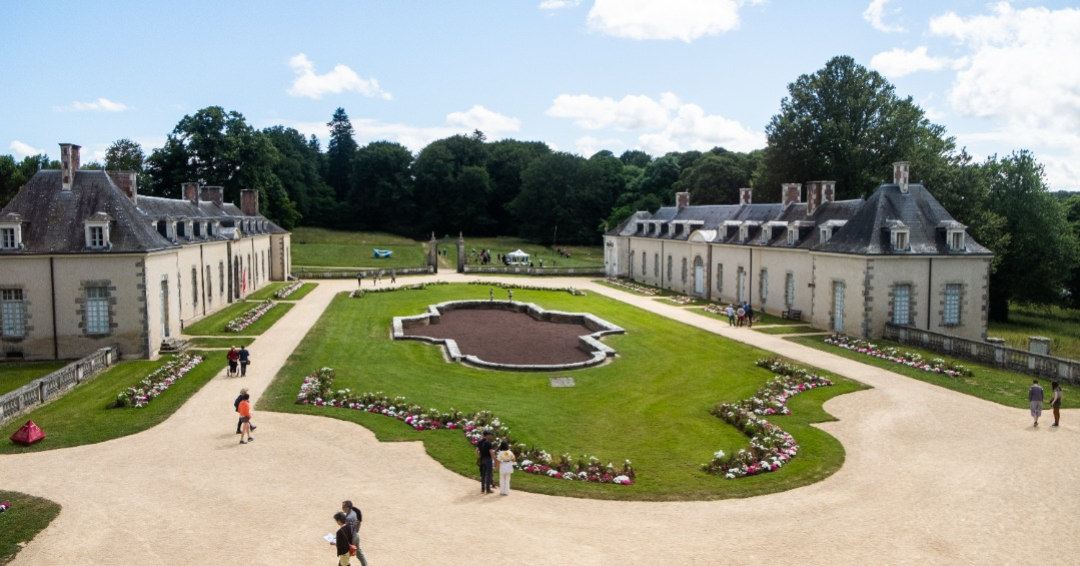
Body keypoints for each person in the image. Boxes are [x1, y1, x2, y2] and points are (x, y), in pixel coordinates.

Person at [342, 500, 369, 566]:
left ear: (347, 508)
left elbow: (349, 531)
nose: (342, 508)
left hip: (351, 539)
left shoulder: (348, 518)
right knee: (359, 553)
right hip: (356, 536)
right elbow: (359, 522)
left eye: (343, 507)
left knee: (344, 557)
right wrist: (356, 531)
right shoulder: (354, 512)